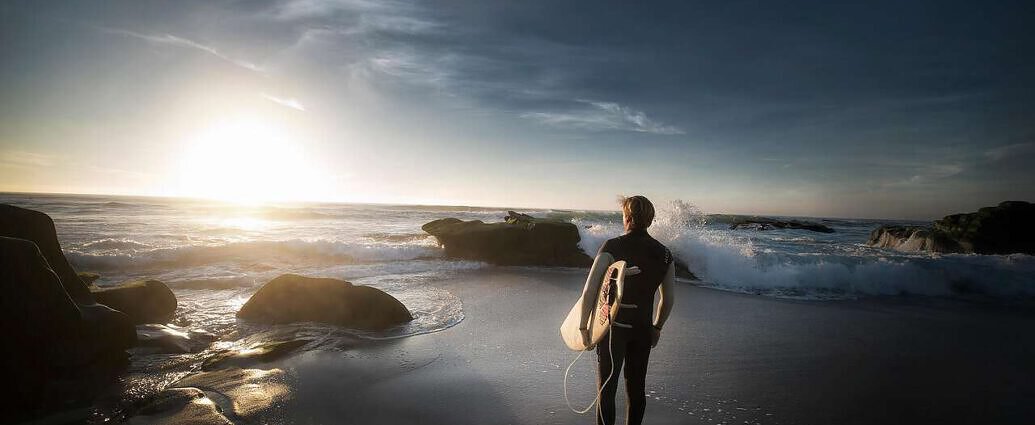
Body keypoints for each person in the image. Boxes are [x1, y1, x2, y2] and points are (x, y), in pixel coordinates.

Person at [578, 195, 675, 425]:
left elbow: (590, 290)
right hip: (642, 329)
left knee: (607, 390)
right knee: (636, 390)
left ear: (628, 217)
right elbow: (668, 299)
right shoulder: (665, 254)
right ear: (650, 220)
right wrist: (657, 327)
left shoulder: (613, 246)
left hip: (614, 329)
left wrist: (583, 327)